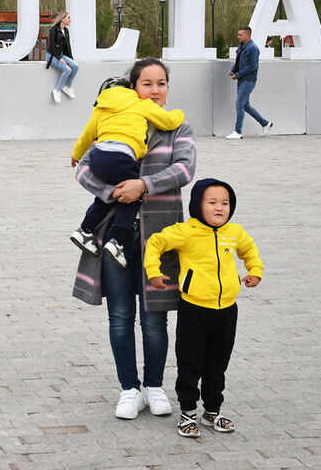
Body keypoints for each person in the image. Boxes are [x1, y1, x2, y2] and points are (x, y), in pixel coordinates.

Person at [72, 58, 196, 421]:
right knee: (121, 315)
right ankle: (129, 388)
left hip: (162, 235)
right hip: (115, 235)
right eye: (147, 84)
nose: (156, 91)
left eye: (162, 84)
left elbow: (185, 169)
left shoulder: (178, 128)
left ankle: (154, 386)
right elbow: (83, 168)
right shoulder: (115, 118)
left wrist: (145, 185)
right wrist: (115, 192)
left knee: (155, 317)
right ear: (133, 88)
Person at [144, 178, 263, 438]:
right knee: (190, 365)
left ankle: (212, 412)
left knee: (217, 364)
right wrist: (154, 272)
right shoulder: (185, 232)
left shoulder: (235, 232)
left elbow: (249, 249)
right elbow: (154, 242)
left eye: (225, 203)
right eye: (212, 202)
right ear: (198, 205)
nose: (220, 207)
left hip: (226, 311)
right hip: (194, 311)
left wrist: (255, 270)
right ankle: (187, 413)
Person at [69, 77, 185, 269]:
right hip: (121, 156)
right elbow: (169, 122)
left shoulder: (100, 109)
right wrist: (179, 113)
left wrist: (76, 154)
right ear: (132, 88)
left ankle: (85, 230)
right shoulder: (140, 103)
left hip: (99, 157)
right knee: (133, 195)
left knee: (112, 195)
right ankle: (118, 241)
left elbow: (87, 135)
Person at [226, 26, 273, 139]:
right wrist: (233, 70)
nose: (238, 37)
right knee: (245, 105)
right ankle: (265, 123)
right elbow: (239, 62)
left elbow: (253, 66)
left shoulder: (253, 48)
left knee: (239, 104)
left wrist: (238, 74)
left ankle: (238, 132)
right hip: (242, 80)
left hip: (248, 81)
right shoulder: (242, 47)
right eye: (238, 35)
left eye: (240, 35)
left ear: (248, 35)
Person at [45, 12, 78, 103]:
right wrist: (59, 58)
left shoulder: (66, 31)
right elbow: (51, 46)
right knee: (67, 69)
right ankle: (57, 90)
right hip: (51, 55)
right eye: (68, 17)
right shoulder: (53, 30)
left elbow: (68, 47)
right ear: (62, 19)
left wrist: (71, 59)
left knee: (75, 66)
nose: (70, 19)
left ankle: (67, 87)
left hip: (60, 55)